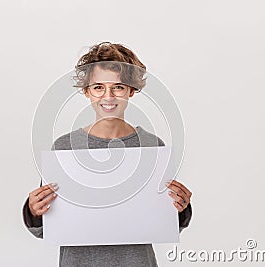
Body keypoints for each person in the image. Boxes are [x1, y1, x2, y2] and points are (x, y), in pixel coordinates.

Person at [23, 42, 193, 266]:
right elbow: (47, 227)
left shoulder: (152, 147)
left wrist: (182, 208)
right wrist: (33, 210)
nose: (108, 96)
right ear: (87, 92)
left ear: (131, 90)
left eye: (118, 87)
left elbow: (164, 222)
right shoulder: (65, 148)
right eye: (98, 87)